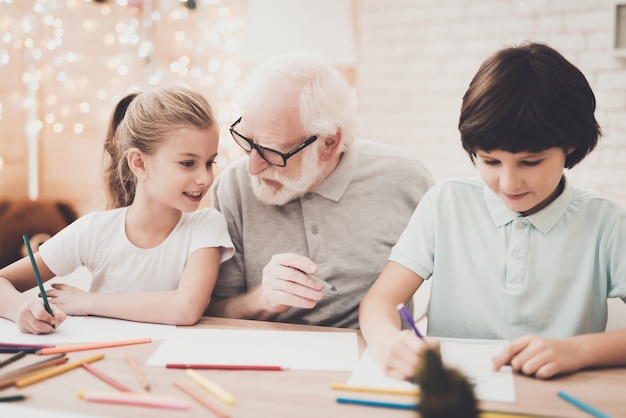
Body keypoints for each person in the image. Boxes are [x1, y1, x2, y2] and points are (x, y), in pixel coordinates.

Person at [359, 42, 626, 380]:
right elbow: (380, 300)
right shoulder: (445, 204)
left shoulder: (607, 223)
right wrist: (388, 341)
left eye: (530, 162)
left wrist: (577, 351)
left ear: (570, 146)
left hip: (557, 395)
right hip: (455, 394)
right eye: (490, 161)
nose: (508, 181)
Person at [205, 50, 434, 329]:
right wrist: (261, 300)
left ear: (329, 143)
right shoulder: (233, 187)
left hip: (375, 355)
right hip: (268, 358)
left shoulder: (406, 179)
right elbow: (210, 314)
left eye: (272, 152)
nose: (252, 167)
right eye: (248, 141)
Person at [0, 85, 234, 334]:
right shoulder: (94, 230)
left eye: (209, 162)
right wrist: (21, 309)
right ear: (139, 163)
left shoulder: (206, 225)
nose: (205, 178)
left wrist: (88, 302)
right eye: (188, 163)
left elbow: (186, 308)